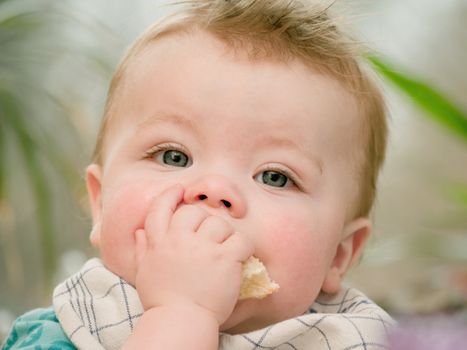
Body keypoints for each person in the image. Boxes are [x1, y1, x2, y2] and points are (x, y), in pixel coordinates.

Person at [2, 0, 394, 349]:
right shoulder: (59, 336)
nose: (214, 190)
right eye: (174, 156)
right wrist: (181, 314)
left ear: (339, 255)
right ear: (101, 204)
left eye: (274, 176)